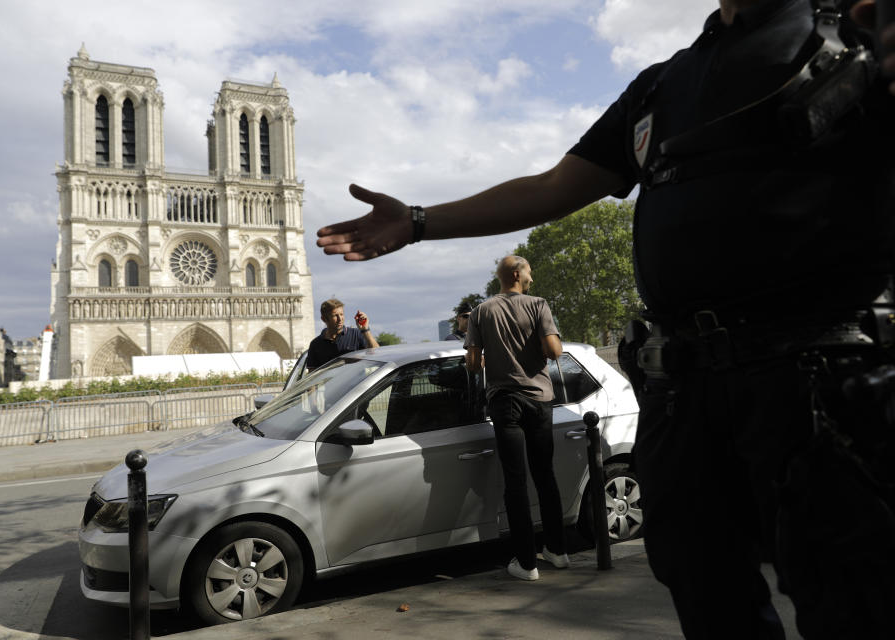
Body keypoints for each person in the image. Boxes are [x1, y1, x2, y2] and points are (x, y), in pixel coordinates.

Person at [316, 1, 895, 637]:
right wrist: (420, 222)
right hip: (687, 395)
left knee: (853, 598)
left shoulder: (855, 39)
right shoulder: (661, 85)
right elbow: (554, 186)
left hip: (823, 385)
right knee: (706, 593)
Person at [464, 256, 568, 581]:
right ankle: (558, 551)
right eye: (529, 272)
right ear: (516, 274)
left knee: (516, 481)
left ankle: (527, 563)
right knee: (545, 476)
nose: (532, 278)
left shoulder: (481, 311)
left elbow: (472, 363)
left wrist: (492, 355)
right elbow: (554, 352)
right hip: (539, 401)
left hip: (505, 401)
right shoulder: (539, 305)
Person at [305, 298, 379, 372]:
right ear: (324, 319)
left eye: (341, 314)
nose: (340, 319)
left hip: (359, 383)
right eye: (335, 315)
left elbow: (377, 354)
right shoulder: (315, 344)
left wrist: (365, 330)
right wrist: (342, 362)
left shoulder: (356, 334)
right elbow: (313, 375)